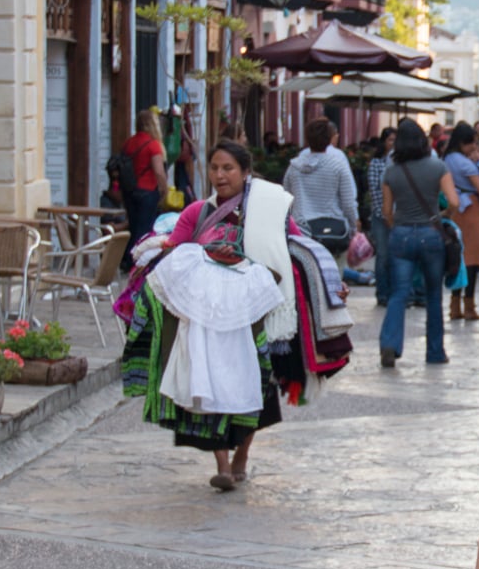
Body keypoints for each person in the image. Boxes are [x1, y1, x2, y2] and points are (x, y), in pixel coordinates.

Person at [140, 141, 295, 492]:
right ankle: (223, 465)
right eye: (214, 168)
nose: (219, 175)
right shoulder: (196, 213)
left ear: (245, 173)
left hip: (250, 318)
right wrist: (207, 254)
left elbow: (290, 249)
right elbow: (176, 251)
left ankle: (241, 455)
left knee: (255, 384)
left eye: (228, 168)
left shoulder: (266, 213)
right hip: (204, 318)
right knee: (208, 384)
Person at [380, 119, 461, 367]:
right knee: (433, 295)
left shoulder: (391, 171)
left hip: (401, 234)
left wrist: (398, 226)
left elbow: (386, 212)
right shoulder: (438, 167)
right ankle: (435, 352)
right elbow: (454, 202)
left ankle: (390, 345)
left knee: (399, 293)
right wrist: (442, 217)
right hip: (430, 234)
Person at [442, 123, 479, 321]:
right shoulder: (465, 164)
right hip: (470, 210)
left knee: (457, 258)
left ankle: (454, 306)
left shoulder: (446, 159)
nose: (474, 146)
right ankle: (469, 306)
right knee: (471, 261)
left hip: (454, 209)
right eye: (472, 142)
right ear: (463, 142)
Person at [285, 117, 359, 254]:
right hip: (334, 231)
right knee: (335, 273)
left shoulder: (294, 167)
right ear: (330, 138)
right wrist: (354, 227)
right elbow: (348, 203)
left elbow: (286, 198)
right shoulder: (338, 165)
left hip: (302, 231)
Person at [121, 109, 170, 265]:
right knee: (145, 228)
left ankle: (126, 259)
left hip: (130, 190)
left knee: (133, 226)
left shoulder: (129, 142)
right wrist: (164, 189)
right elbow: (159, 171)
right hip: (147, 190)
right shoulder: (153, 145)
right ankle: (137, 261)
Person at [366, 127, 397, 305]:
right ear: (384, 142)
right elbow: (375, 191)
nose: (393, 144)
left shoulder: (400, 162)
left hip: (397, 216)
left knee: (395, 255)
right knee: (383, 255)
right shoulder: (377, 163)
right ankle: (382, 293)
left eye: (396, 140)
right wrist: (384, 214)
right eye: (390, 140)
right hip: (380, 216)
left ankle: (395, 291)